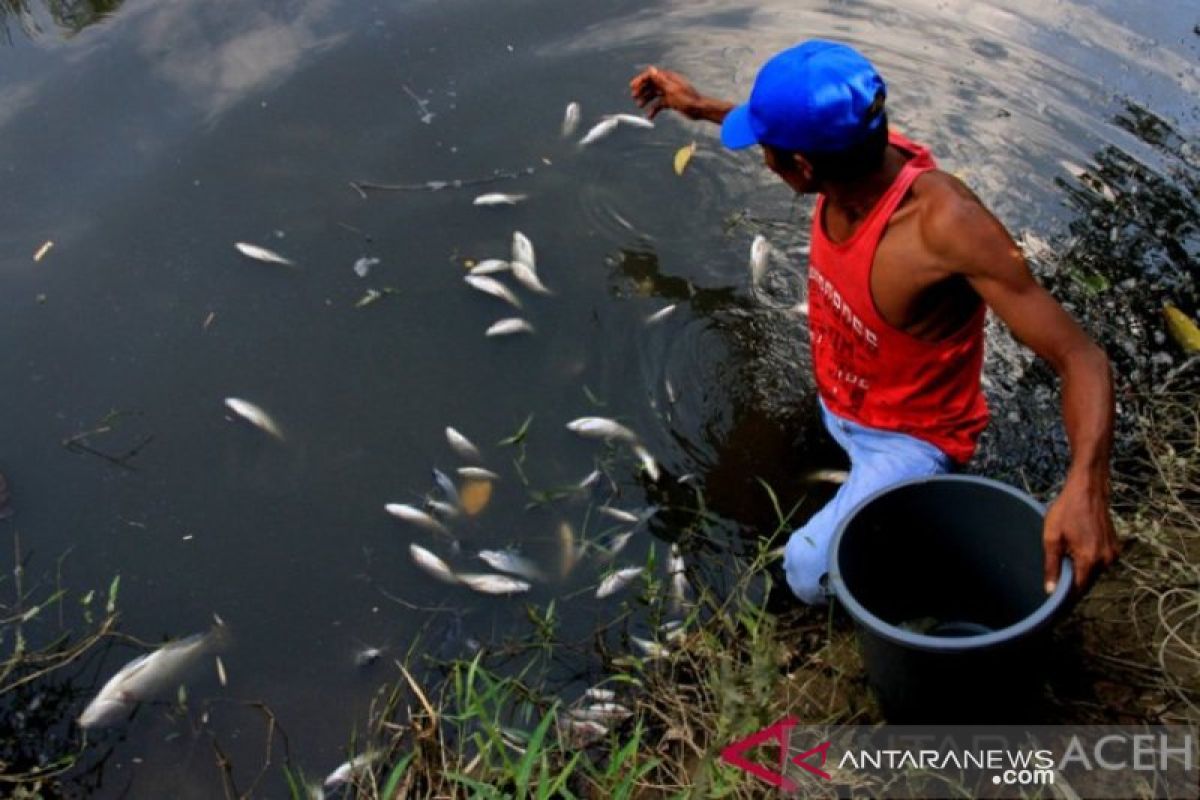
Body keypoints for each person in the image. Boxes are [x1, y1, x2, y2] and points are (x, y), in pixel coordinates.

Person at [630, 40, 1119, 604]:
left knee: (805, 571)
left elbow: (1082, 357)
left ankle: (911, 549)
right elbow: (794, 133)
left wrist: (1087, 482)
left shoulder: (947, 228)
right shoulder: (854, 153)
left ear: (803, 166)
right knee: (742, 482)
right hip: (840, 400)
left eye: (767, 149)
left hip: (911, 442)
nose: (764, 159)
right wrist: (700, 107)